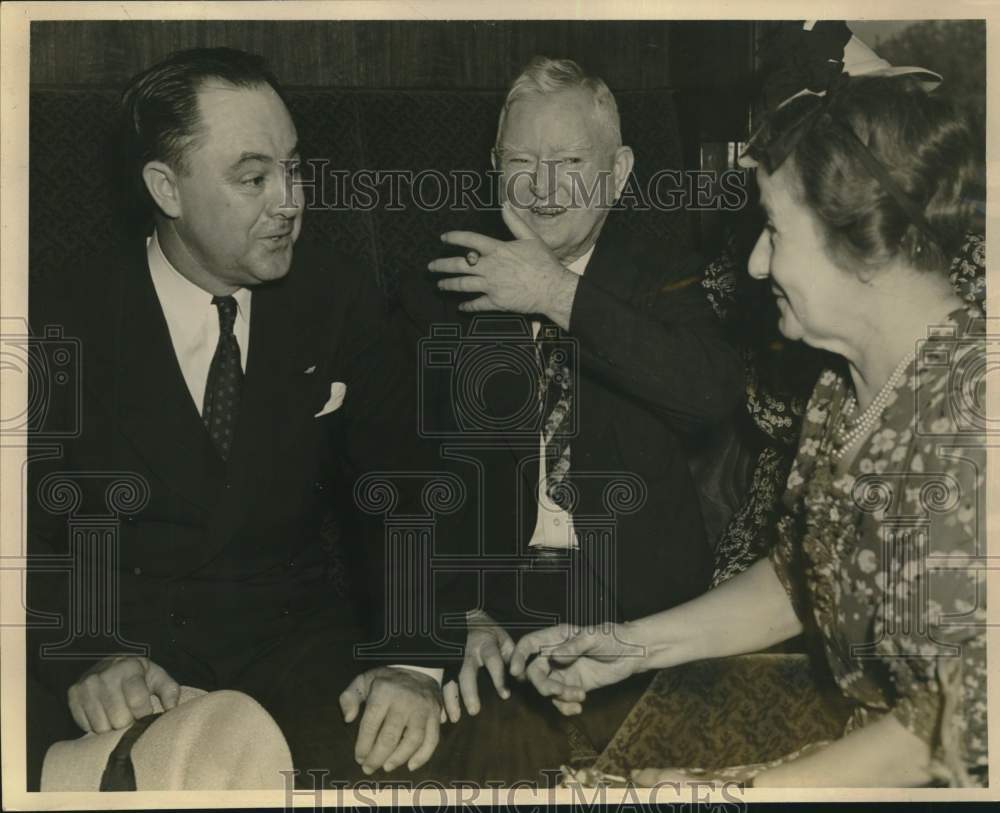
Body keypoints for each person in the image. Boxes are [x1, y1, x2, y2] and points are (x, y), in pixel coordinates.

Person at [508, 72, 988, 787]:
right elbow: (803, 579)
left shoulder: (974, 414)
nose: (757, 263)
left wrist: (734, 795)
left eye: (772, 230)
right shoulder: (840, 389)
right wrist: (631, 645)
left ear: (858, 243)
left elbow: (959, 722)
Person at [25, 47, 464, 788]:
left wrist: (413, 658)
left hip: (294, 641)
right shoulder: (59, 319)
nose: (289, 199)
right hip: (131, 653)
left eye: (295, 169)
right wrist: (87, 655)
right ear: (167, 188)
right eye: (254, 178)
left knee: (412, 763)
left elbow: (411, 481)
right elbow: (22, 529)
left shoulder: (338, 297)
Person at [421, 58, 743, 726]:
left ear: (618, 172)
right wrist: (459, 610)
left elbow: (709, 392)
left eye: (569, 160)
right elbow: (407, 466)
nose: (541, 188)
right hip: (502, 618)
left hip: (647, 617)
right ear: (493, 164)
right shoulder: (446, 282)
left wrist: (557, 295)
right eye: (520, 160)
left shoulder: (672, 279)